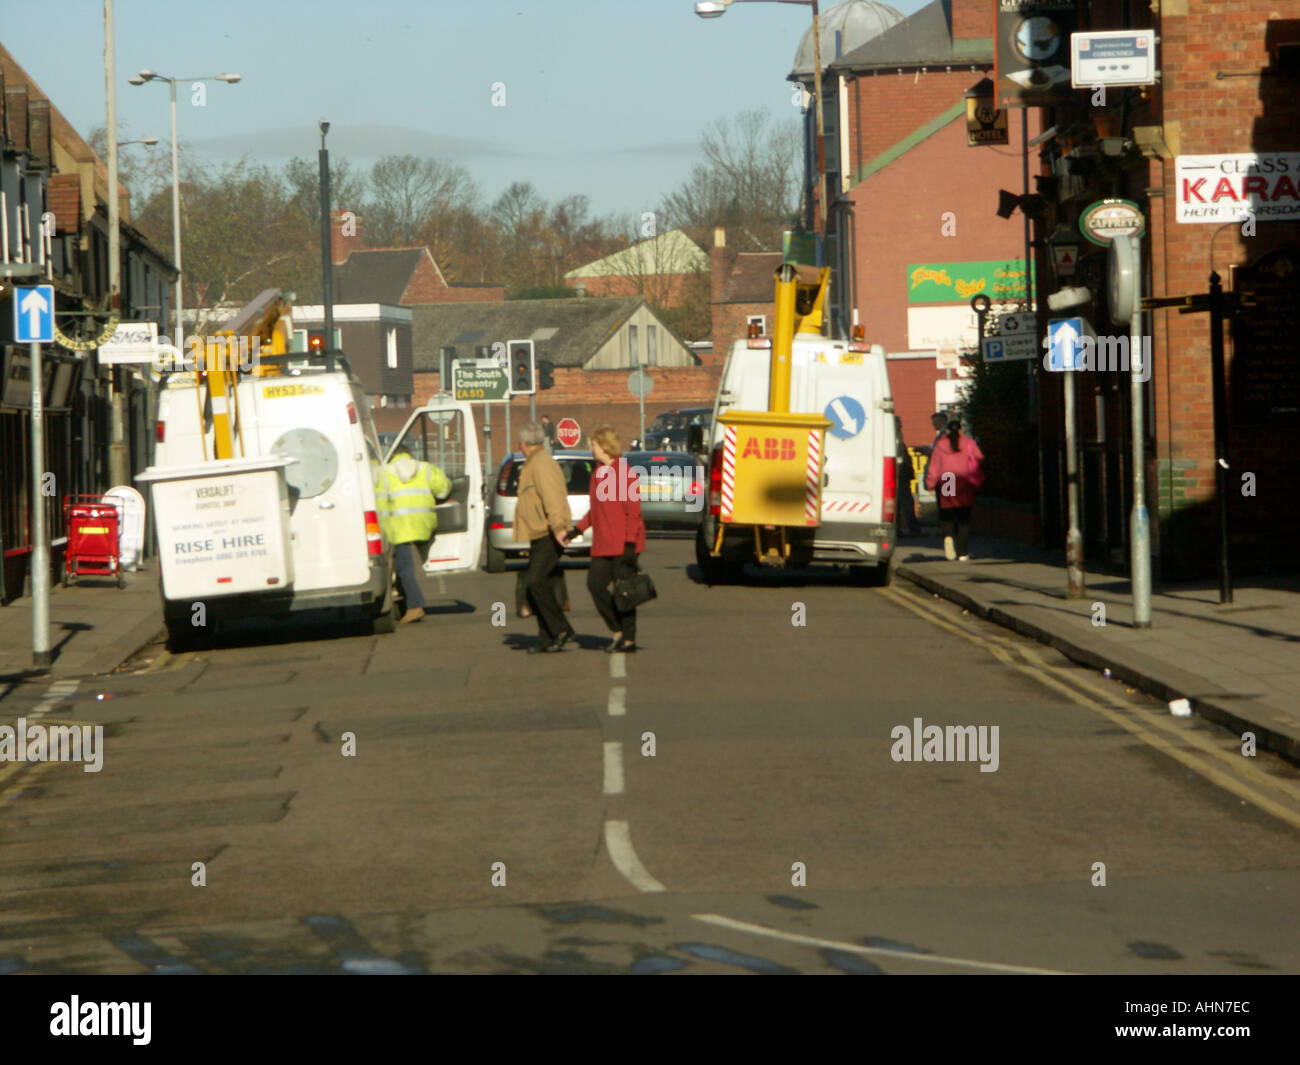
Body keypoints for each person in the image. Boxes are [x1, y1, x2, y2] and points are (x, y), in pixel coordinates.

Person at [563, 426, 646, 653]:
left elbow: (633, 512)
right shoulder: (598, 473)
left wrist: (630, 543)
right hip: (603, 543)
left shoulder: (624, 472)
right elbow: (595, 511)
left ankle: (628, 639)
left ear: (604, 447)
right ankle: (617, 629)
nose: (591, 448)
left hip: (623, 544)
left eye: (593, 445)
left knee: (624, 593)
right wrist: (575, 531)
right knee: (595, 585)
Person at [513, 422, 575, 653]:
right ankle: (546, 638)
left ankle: (560, 628)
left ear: (525, 444)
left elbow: (552, 497)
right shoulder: (535, 463)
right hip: (540, 533)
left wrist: (559, 526)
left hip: (549, 532)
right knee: (541, 584)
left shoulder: (541, 464)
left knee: (535, 582)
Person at [378, 447, 452, 623]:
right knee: (420, 560)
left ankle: (415, 606)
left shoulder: (384, 472)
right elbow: (443, 489)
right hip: (424, 523)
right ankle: (414, 591)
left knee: (404, 568)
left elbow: (378, 500)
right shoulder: (425, 468)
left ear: (393, 456)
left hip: (398, 526)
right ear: (410, 455)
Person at [924, 419, 985, 561]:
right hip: (964, 479)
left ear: (948, 431)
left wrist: (930, 484)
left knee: (947, 514)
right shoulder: (969, 443)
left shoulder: (940, 444)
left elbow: (934, 467)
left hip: (947, 479)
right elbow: (979, 457)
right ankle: (963, 553)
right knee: (963, 517)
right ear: (960, 430)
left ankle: (948, 536)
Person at [894, 416, 922, 537]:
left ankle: (899, 529)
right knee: (906, 504)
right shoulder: (895, 438)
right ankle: (912, 529)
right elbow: (900, 458)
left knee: (901, 504)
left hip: (900, 475)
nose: (901, 426)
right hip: (900, 475)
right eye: (899, 423)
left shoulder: (896, 437)